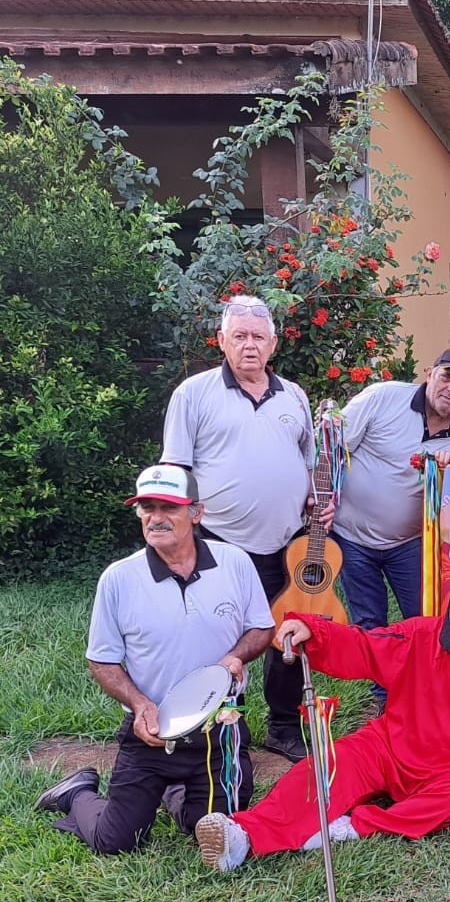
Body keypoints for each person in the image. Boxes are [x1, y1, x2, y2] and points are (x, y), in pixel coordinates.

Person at [194, 560, 450, 872]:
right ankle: (243, 835)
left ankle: (350, 827)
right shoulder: (419, 635)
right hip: (393, 745)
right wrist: (312, 628)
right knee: (330, 763)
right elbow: (364, 646)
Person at [34, 465, 272, 855]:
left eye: (168, 507)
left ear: (197, 513)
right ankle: (76, 792)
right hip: (151, 730)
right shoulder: (119, 578)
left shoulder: (235, 563)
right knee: (116, 841)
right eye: (147, 506)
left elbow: (261, 628)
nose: (155, 517)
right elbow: (103, 661)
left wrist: (236, 655)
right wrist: (140, 704)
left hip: (219, 732)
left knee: (214, 832)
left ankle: (178, 795)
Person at [160, 294, 316, 761]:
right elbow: (175, 471)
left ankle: (284, 727)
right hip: (218, 542)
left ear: (273, 345)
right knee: (223, 637)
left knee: (286, 633)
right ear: (222, 341)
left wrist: (315, 499)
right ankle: (227, 726)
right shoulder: (194, 393)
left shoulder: (294, 396)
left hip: (287, 543)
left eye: (258, 337)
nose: (250, 345)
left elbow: (309, 463)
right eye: (240, 336)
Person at [332, 348, 450, 709]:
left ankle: (422, 694)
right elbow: (334, 445)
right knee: (371, 621)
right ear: (430, 373)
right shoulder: (383, 397)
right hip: (353, 536)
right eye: (447, 377)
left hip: (410, 541)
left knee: (425, 619)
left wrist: (448, 469)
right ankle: (386, 701)